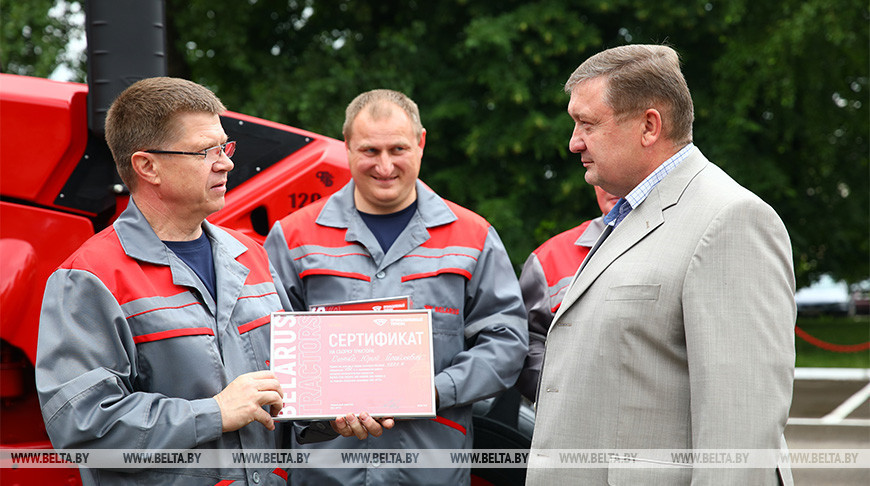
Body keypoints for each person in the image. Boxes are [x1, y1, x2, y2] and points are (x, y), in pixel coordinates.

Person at [35, 77, 390, 486]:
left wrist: (332, 414)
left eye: (225, 147)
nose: (226, 163)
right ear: (147, 165)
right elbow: (82, 427)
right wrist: (214, 413)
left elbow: (286, 392)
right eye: (206, 151)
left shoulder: (250, 255)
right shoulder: (89, 279)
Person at [526, 45, 796, 485]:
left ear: (649, 126)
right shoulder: (635, 211)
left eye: (587, 124)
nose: (574, 141)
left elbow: (740, 436)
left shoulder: (730, 220)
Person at [264, 88, 528, 485]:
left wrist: (433, 391)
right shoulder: (294, 236)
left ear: (421, 144)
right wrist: (321, 410)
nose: (384, 165)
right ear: (348, 147)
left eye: (398, 149)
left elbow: (506, 342)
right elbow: (265, 346)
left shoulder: (472, 236)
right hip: (325, 471)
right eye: (370, 150)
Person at [515, 186, 618, 401]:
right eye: (597, 171)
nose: (608, 184)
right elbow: (526, 342)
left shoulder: (685, 242)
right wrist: (564, 396)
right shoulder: (549, 258)